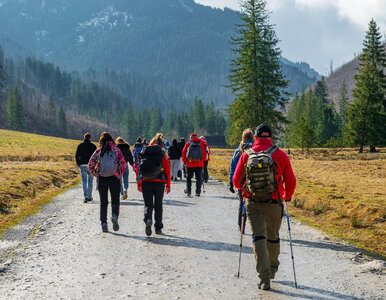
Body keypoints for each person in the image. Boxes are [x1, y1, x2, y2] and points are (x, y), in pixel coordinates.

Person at [233, 124, 296, 290]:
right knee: (273, 237)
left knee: (258, 238)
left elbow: (236, 180)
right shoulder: (281, 155)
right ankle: (273, 268)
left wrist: (246, 188)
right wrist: (286, 196)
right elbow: (291, 180)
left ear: (256, 137)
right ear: (271, 137)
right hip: (274, 202)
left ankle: (264, 276)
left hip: (253, 202)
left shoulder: (247, 155)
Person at [88, 132, 127, 233]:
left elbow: (90, 165)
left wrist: (97, 174)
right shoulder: (117, 150)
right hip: (114, 178)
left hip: (102, 178)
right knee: (115, 200)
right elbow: (123, 164)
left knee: (103, 202)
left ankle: (104, 223)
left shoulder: (99, 151)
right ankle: (114, 215)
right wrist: (118, 174)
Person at [137, 133, 171, 236]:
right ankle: (158, 228)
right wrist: (168, 184)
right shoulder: (162, 153)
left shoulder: (145, 151)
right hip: (159, 182)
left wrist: (139, 182)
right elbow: (167, 169)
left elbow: (139, 168)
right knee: (158, 205)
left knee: (148, 204)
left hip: (146, 181)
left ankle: (148, 219)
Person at [229, 128, 255, 232]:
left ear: (243, 137)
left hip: (242, 182)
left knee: (242, 203)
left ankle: (241, 226)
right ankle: (256, 227)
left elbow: (233, 167)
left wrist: (231, 182)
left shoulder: (238, 151)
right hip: (254, 181)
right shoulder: (256, 149)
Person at [75, 133, 97, 203]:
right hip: (91, 166)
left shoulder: (80, 145)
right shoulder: (93, 146)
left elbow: (76, 156)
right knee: (90, 182)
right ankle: (90, 196)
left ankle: (86, 196)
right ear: (90, 139)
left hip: (82, 165)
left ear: (84, 138)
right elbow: (96, 157)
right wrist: (95, 165)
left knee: (84, 182)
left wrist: (78, 163)